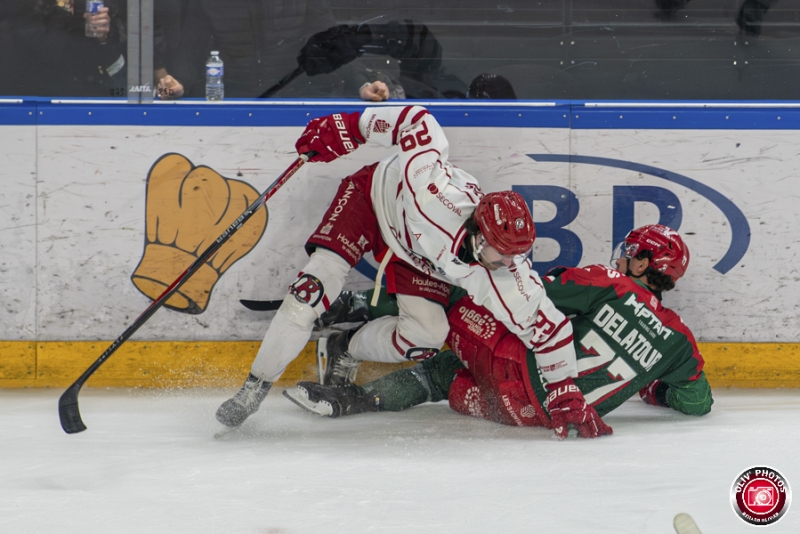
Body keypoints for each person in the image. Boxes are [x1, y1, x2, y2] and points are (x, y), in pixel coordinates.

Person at [215, 105, 607, 438]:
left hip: (414, 255)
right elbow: (416, 120)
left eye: (514, 256)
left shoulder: (506, 272)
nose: (506, 264)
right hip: (371, 201)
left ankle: (343, 349)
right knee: (308, 295)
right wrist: (349, 127)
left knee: (426, 337)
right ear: (476, 231)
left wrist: (566, 392)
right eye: (499, 252)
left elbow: (549, 329)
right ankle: (252, 390)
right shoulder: (432, 192)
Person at [285, 224, 713, 438]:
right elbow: (698, 403)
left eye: (631, 255)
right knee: (442, 373)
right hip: (531, 417)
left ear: (642, 264)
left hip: (513, 370)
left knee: (460, 291)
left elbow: (527, 300)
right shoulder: (680, 342)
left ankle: (349, 305)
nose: (622, 259)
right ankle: (351, 401)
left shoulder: (609, 282)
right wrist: (656, 392)